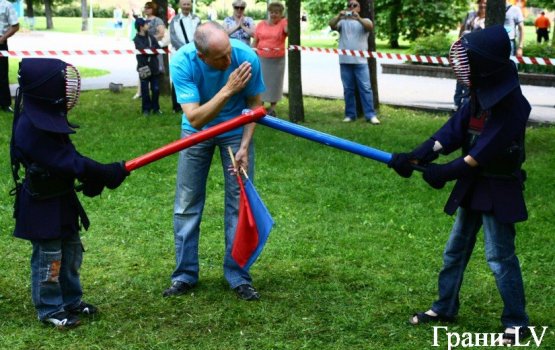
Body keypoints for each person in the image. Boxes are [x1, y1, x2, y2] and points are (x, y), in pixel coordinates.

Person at [388, 25, 531, 346]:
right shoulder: (478, 95)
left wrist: (444, 172)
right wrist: (416, 155)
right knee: (455, 250)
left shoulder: (513, 106)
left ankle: (517, 322)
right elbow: (452, 132)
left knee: (499, 257)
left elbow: (482, 153)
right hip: (473, 187)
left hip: (498, 188)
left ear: (485, 65)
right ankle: (445, 307)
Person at [10, 58, 129, 329]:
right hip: (42, 204)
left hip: (61, 199)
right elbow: (65, 161)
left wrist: (91, 177)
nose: (67, 90)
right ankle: (50, 308)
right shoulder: (29, 127)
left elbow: (69, 156)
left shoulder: (48, 122)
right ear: (46, 89)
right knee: (49, 257)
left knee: (72, 251)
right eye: (61, 84)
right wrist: (102, 172)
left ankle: (71, 299)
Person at [165, 22, 265, 301]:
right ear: (202, 56)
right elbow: (195, 117)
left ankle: (238, 275)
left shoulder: (245, 57)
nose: (228, 60)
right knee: (187, 203)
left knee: (239, 201)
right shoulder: (183, 62)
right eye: (220, 57)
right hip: (196, 132)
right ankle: (184, 275)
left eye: (228, 52)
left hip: (236, 132)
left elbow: (256, 106)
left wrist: (244, 146)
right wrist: (228, 89)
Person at [329, 0, 380, 125]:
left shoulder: (365, 21)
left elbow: (369, 27)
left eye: (354, 5)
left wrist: (358, 19)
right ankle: (350, 115)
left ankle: (370, 115)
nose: (351, 7)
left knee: (366, 88)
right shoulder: (342, 22)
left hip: (360, 62)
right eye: (349, 5)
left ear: (359, 8)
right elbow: (331, 25)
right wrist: (338, 16)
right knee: (348, 89)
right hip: (345, 61)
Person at [252, 2, 287, 117]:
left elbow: (287, 31)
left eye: (277, 12)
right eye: (272, 12)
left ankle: (272, 109)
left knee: (275, 84)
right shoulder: (261, 24)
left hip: (277, 60)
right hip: (262, 58)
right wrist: (252, 52)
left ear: (281, 14)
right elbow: (255, 40)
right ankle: (260, 106)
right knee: (261, 82)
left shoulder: (283, 23)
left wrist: (288, 20)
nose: (274, 15)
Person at [169, 0, 201, 113]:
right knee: (177, 78)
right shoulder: (174, 20)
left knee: (195, 76)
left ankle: (196, 103)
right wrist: (184, 49)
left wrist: (192, 48)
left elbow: (199, 35)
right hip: (179, 54)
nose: (186, 6)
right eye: (184, 4)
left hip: (194, 52)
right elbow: (173, 38)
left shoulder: (197, 19)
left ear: (191, 5)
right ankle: (176, 107)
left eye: (188, 4)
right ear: (180, 5)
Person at [453, 0, 486, 111]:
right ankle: (457, 103)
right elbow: (462, 29)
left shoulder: (489, 19)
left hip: (477, 52)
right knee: (460, 76)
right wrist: (458, 43)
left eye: (485, 3)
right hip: (464, 49)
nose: (482, 5)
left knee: (471, 78)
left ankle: (466, 104)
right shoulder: (471, 15)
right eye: (480, 3)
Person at [134, 17, 162, 115]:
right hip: (143, 67)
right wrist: (151, 50)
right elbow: (143, 50)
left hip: (154, 67)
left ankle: (156, 108)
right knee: (145, 90)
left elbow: (157, 49)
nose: (148, 25)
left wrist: (150, 50)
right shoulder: (136, 39)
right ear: (141, 27)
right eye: (146, 24)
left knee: (156, 89)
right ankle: (146, 109)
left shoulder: (151, 37)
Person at [0, 0, 19, 113]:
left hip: (0, 43)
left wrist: (2, 39)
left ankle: (5, 104)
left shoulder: (6, 5)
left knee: (1, 74)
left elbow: (15, 26)